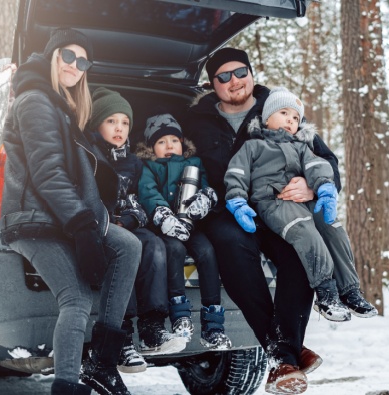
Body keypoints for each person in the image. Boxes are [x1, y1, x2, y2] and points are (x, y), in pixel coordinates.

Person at [180, 48, 369, 394]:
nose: (234, 81)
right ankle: (286, 352)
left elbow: (324, 159)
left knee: (300, 250)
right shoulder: (195, 123)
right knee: (232, 247)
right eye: (223, 76)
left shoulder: (281, 108)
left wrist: (312, 186)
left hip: (278, 205)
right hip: (227, 210)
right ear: (212, 84)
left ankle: (284, 354)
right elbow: (179, 165)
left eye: (240, 72)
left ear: (251, 73)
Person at [0, 28, 140, 395]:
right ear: (52, 57)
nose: (76, 66)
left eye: (83, 61)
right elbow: (48, 173)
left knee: (129, 246)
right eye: (68, 57)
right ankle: (66, 386)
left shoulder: (61, 106)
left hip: (57, 217)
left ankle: (102, 364)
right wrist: (82, 227)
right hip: (34, 221)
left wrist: (93, 221)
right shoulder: (35, 101)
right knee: (76, 299)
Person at [224, 87, 376, 323]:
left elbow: (318, 165)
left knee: (332, 227)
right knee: (305, 231)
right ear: (267, 118)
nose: (290, 120)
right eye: (283, 113)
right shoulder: (253, 146)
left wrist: (325, 188)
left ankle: (349, 290)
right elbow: (236, 173)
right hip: (274, 203)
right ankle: (326, 292)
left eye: (295, 117)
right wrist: (237, 201)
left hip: (305, 202)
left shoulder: (301, 146)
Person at [85, 88, 185, 372]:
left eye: (125, 123)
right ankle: (124, 334)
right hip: (99, 228)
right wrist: (109, 221)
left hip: (127, 225)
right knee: (124, 251)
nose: (119, 128)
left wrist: (130, 219)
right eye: (111, 121)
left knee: (153, 244)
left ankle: (153, 326)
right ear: (97, 124)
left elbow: (140, 201)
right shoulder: (88, 156)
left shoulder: (133, 162)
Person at [136, 113, 232, 350]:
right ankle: (180, 315)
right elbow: (148, 192)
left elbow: (208, 186)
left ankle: (213, 326)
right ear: (151, 148)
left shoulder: (195, 163)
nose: (169, 145)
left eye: (174, 140)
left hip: (192, 226)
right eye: (161, 142)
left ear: (183, 143)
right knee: (175, 251)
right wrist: (162, 215)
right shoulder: (149, 167)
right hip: (165, 230)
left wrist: (206, 198)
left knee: (208, 253)